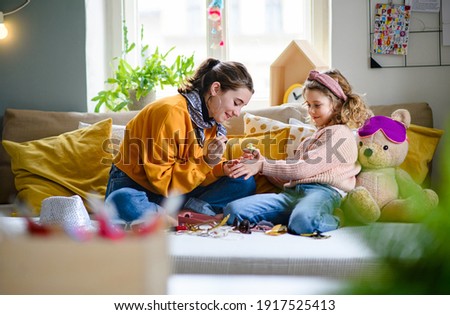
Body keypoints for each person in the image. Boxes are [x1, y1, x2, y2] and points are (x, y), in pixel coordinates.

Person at [105, 58, 256, 223]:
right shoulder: (170, 113)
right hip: (140, 187)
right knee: (122, 200)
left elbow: (196, 174)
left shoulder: (212, 122)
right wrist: (206, 162)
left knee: (244, 181)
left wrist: (221, 168)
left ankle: (177, 216)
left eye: (242, 107)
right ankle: (190, 216)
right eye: (236, 103)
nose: (237, 113)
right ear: (215, 88)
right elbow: (162, 183)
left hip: (177, 192)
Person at [224, 69, 372, 235]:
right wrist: (260, 161)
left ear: (337, 105)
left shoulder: (340, 134)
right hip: (293, 193)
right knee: (233, 211)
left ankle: (338, 217)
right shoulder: (310, 139)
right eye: (308, 105)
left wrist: (262, 165)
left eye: (317, 105)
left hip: (323, 193)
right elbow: (292, 176)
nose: (311, 111)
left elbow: (303, 169)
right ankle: (294, 216)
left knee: (303, 222)